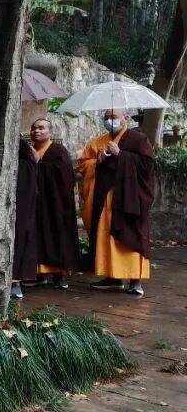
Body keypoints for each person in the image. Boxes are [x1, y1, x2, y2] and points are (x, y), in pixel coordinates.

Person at [78, 109, 156, 296]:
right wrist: (98, 161)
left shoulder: (138, 139)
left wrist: (121, 154)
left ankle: (134, 280)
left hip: (129, 199)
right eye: (106, 118)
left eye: (113, 117)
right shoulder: (99, 141)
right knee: (107, 236)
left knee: (131, 235)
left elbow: (148, 166)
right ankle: (111, 277)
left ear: (125, 118)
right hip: (106, 198)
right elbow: (83, 163)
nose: (109, 121)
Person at [27, 118, 78, 290]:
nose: (37, 131)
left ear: (50, 132)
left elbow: (64, 177)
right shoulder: (30, 150)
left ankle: (59, 275)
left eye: (41, 128)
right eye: (34, 128)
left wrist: (38, 163)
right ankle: (39, 274)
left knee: (56, 236)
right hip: (35, 203)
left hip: (55, 204)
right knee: (37, 237)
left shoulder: (58, 151)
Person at [11, 138, 40, 299]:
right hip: (22, 213)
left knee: (18, 243)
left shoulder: (22, 165)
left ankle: (14, 282)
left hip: (19, 213)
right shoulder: (27, 163)